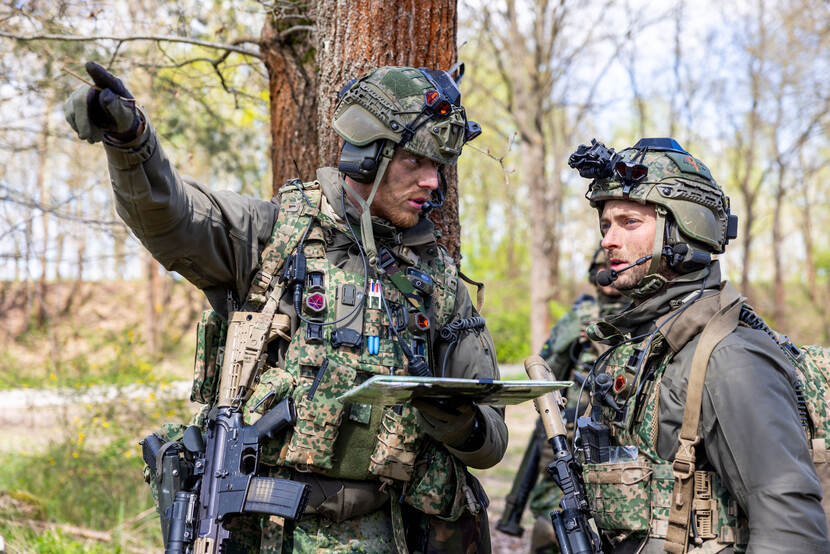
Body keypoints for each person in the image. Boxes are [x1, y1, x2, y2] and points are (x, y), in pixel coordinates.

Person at [64, 62, 506, 553]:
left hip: (392, 534)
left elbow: (492, 438)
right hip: (266, 536)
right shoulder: (272, 235)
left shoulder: (439, 282)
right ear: (368, 157)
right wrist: (131, 144)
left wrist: (461, 424)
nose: (432, 182)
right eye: (414, 163)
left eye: (438, 166)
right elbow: (171, 215)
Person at [564, 137, 829, 553]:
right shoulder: (649, 346)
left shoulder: (730, 358)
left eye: (629, 223)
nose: (608, 241)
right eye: (605, 225)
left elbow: (790, 530)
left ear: (686, 226)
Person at [528, 247, 629, 553]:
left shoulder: (645, 314)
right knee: (551, 519)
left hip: (617, 441)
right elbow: (546, 370)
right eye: (602, 267)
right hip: (568, 436)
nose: (608, 274)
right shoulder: (581, 317)